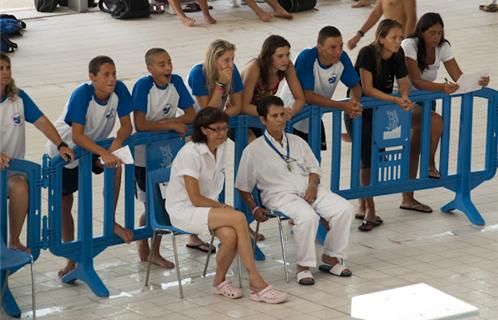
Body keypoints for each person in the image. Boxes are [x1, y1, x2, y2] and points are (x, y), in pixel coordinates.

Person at [165, 107, 288, 303]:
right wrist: (223, 207)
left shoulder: (221, 148)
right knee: (238, 217)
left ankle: (219, 282)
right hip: (185, 210)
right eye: (217, 129)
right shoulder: (190, 153)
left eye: (224, 128)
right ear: (204, 130)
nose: (222, 133)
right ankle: (256, 281)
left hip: (208, 208)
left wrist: (220, 207)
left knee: (230, 236)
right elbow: (195, 198)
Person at [236, 96, 354, 286]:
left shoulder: (297, 141)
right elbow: (242, 186)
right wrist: (254, 208)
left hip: (309, 189)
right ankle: (303, 266)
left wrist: (313, 187)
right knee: (308, 217)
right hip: (279, 195)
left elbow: (314, 169)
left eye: (282, 114)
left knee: (344, 209)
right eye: (274, 116)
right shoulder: (253, 151)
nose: (280, 119)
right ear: (263, 120)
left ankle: (331, 257)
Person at [47, 56, 134, 277]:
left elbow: (127, 126)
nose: (112, 78)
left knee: (116, 166)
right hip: (67, 150)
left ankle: (110, 220)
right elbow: (77, 135)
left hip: (93, 147)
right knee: (66, 202)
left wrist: (115, 145)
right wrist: (105, 152)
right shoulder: (82, 94)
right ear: (92, 77)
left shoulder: (120, 90)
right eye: (106, 74)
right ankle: (71, 259)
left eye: (114, 73)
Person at [400, 12, 490, 211]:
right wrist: (441, 87)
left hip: (426, 98)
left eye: (439, 33)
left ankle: (408, 197)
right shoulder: (409, 44)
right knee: (435, 123)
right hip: (404, 99)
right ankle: (430, 164)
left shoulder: (443, 46)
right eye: (432, 33)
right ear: (421, 33)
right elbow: (415, 81)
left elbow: (458, 76)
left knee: (416, 145)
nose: (436, 37)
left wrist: (479, 81)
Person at [132, 48, 200, 269]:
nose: (168, 68)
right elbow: (140, 124)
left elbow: (191, 114)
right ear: (150, 69)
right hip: (144, 155)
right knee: (149, 203)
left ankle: (154, 251)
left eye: (169, 62)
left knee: (164, 201)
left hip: (169, 152)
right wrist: (170, 123)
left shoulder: (177, 82)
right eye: (162, 65)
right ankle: (144, 247)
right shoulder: (143, 87)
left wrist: (168, 124)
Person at [345, 19, 415, 231]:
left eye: (400, 37)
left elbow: (403, 80)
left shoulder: (397, 54)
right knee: (367, 161)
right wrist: (395, 100)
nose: (398, 41)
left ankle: (362, 203)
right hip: (359, 112)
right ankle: (370, 209)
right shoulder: (368, 53)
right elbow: (366, 88)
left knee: (372, 159)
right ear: (381, 38)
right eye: (394, 37)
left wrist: (403, 95)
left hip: (379, 112)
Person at [0, 53, 74, 253]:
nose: (6, 72)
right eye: (0, 69)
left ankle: (14, 240)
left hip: (11, 171)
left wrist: (61, 144)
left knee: (20, 187)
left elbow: (41, 122)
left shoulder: (18, 98)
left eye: (8, 67)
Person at [283, 26, 363, 148]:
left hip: (314, 118)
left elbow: (355, 86)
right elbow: (308, 97)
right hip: (291, 117)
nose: (338, 51)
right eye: (333, 47)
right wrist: (343, 106)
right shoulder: (307, 57)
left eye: (341, 46)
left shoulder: (342, 58)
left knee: (315, 163)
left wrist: (354, 102)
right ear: (319, 47)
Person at [241, 34, 305, 138]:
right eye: (280, 56)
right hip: (240, 117)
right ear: (268, 57)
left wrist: (290, 112)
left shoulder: (287, 67)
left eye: (287, 55)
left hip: (263, 116)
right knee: (254, 143)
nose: (285, 60)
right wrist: (274, 112)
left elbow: (300, 98)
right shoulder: (255, 68)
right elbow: (244, 106)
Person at [188, 39, 242, 118]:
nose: (231, 65)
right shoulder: (197, 73)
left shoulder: (232, 70)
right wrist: (220, 84)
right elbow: (207, 113)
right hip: (193, 120)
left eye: (232, 59)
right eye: (226, 60)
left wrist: (220, 117)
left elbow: (237, 107)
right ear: (213, 60)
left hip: (217, 118)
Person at [347, 0, 416, 50]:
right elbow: (376, 14)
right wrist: (359, 35)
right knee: (366, 54)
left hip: (400, 40)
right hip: (388, 38)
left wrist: (405, 44)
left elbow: (412, 19)